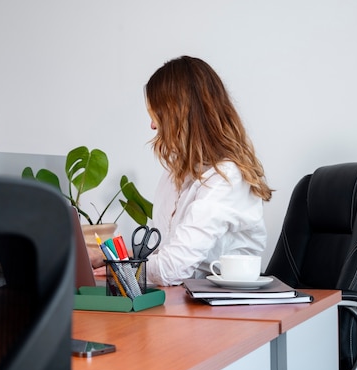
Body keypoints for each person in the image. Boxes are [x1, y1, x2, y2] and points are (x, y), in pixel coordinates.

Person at [91, 56, 272, 286]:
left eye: (157, 114)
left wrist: (115, 268)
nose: (153, 126)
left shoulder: (226, 177)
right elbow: (163, 255)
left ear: (179, 114)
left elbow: (173, 267)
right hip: (186, 301)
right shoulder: (174, 175)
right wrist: (107, 257)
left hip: (228, 308)